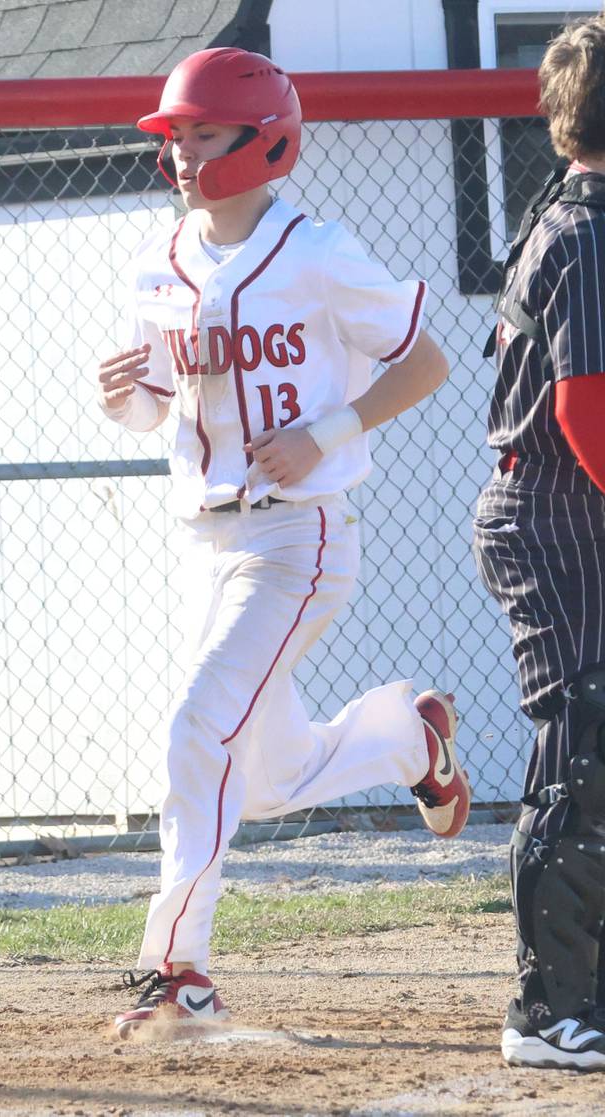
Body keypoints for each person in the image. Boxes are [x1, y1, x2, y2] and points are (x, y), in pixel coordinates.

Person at [98, 46, 470, 1038]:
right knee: (259, 775)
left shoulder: (316, 250)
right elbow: (155, 411)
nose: (181, 153)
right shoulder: (157, 261)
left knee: (193, 729)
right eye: (174, 135)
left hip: (298, 541)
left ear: (262, 138)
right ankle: (405, 735)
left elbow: (423, 361)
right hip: (203, 543)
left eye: (202, 132)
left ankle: (177, 967)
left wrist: (329, 431)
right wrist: (124, 400)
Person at [474, 14, 605, 1071]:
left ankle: (583, 988)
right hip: (553, 511)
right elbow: (584, 410)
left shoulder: (570, 205)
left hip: (567, 508)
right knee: (578, 739)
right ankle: (544, 1009)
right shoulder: (588, 225)